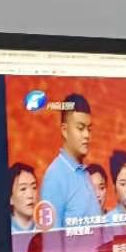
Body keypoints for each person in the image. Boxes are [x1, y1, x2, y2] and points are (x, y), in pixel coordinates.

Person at [38, 93, 99, 229]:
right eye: (80, 128)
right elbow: (51, 240)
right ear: (64, 131)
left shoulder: (85, 174)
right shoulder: (55, 178)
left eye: (89, 129)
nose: (87, 135)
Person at [8, 162, 38, 233]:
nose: (30, 195)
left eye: (34, 187)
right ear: (10, 198)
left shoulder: (46, 228)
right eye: (23, 189)